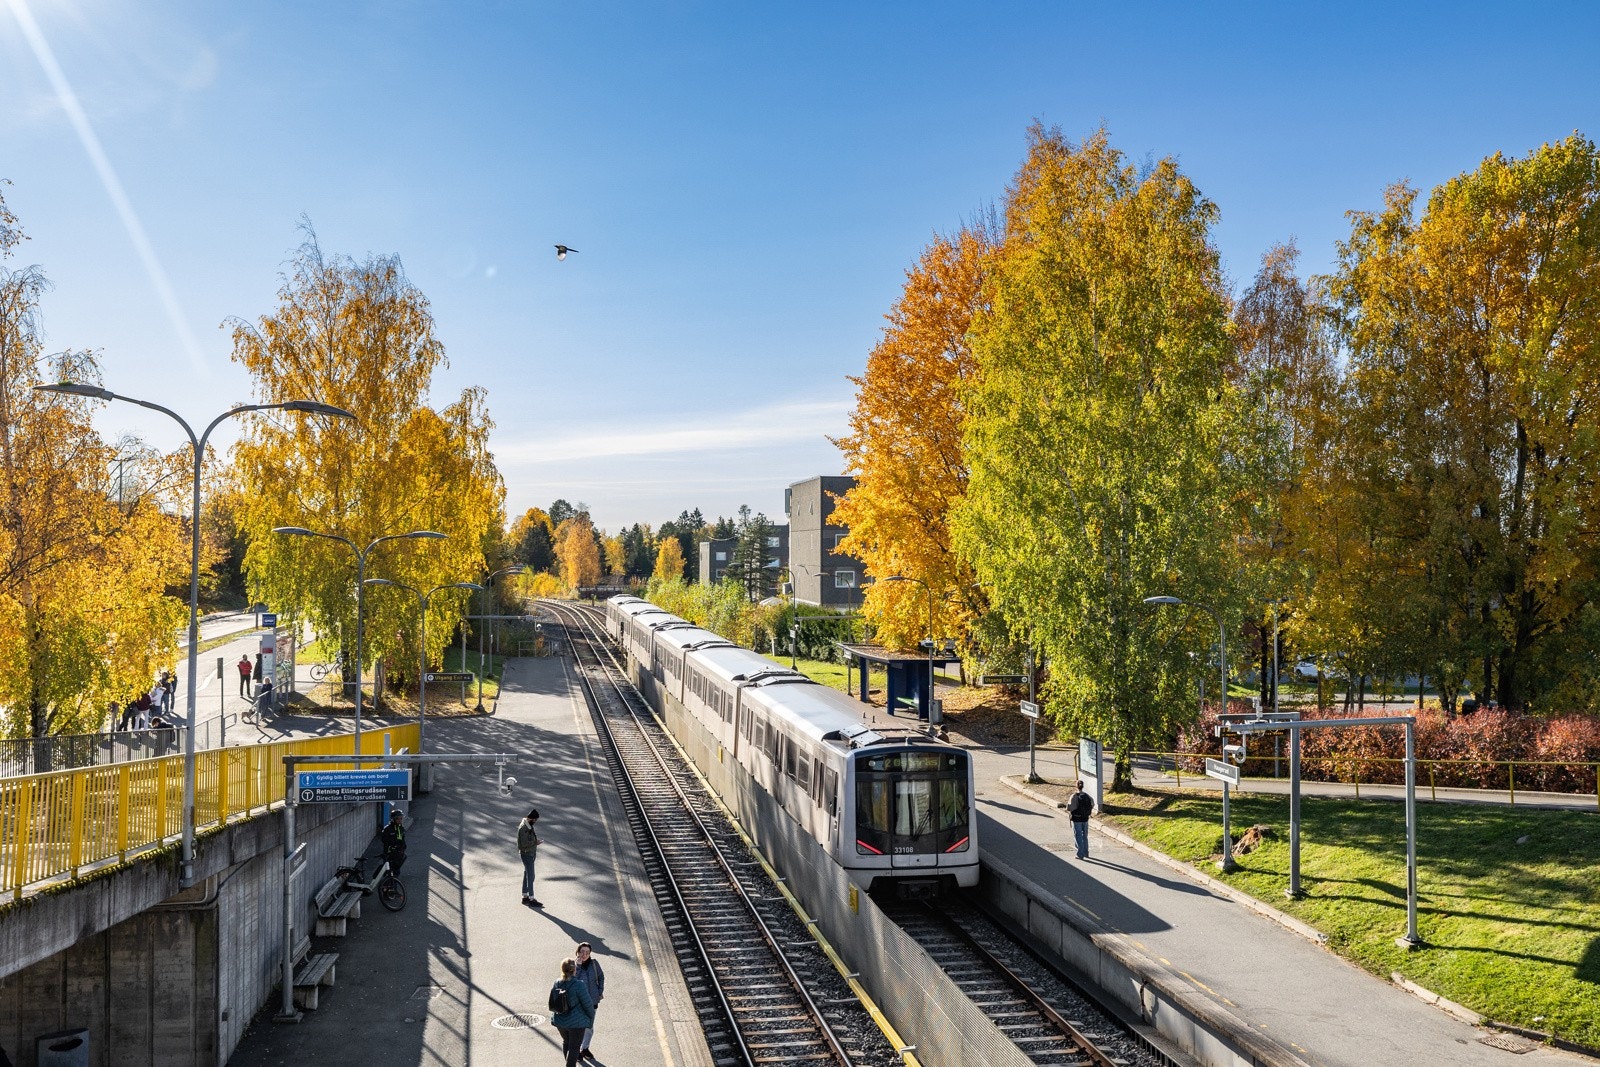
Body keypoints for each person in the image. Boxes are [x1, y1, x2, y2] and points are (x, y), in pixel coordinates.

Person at [549, 956, 596, 1067]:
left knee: (566, 1043)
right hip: (576, 1023)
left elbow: (553, 1001)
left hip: (560, 1021)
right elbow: (588, 1005)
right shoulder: (579, 985)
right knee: (574, 1047)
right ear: (574, 969)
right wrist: (590, 1020)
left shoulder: (557, 983)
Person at [573, 941, 604, 1060]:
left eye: (587, 952)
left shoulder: (594, 964)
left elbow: (601, 977)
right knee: (579, 1027)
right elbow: (572, 981)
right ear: (578, 952)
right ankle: (576, 1051)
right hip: (579, 1003)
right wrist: (578, 966)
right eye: (582, 952)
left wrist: (599, 991)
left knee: (589, 1027)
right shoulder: (573, 965)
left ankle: (584, 1048)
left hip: (592, 1001)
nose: (584, 954)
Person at [518, 809, 541, 907]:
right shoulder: (524, 828)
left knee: (527, 874)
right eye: (535, 820)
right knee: (531, 876)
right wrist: (535, 842)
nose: (535, 822)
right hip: (527, 854)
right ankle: (531, 898)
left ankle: (525, 896)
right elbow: (524, 844)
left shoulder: (528, 825)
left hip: (529, 853)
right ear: (531, 818)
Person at [1067, 780, 1095, 860]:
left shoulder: (1074, 796)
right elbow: (1092, 804)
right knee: (1084, 836)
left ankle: (1080, 854)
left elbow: (1069, 807)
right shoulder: (1087, 796)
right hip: (1085, 819)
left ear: (1076, 786)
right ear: (1082, 786)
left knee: (1078, 836)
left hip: (1077, 819)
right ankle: (1086, 853)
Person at [380, 809, 407, 877]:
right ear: (393, 819)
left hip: (398, 854)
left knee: (396, 872)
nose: (400, 820)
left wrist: (403, 846)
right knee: (388, 872)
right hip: (389, 854)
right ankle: (386, 885)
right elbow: (384, 840)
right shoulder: (387, 829)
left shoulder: (401, 828)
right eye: (398, 818)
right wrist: (393, 844)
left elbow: (402, 838)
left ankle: (393, 885)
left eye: (401, 818)